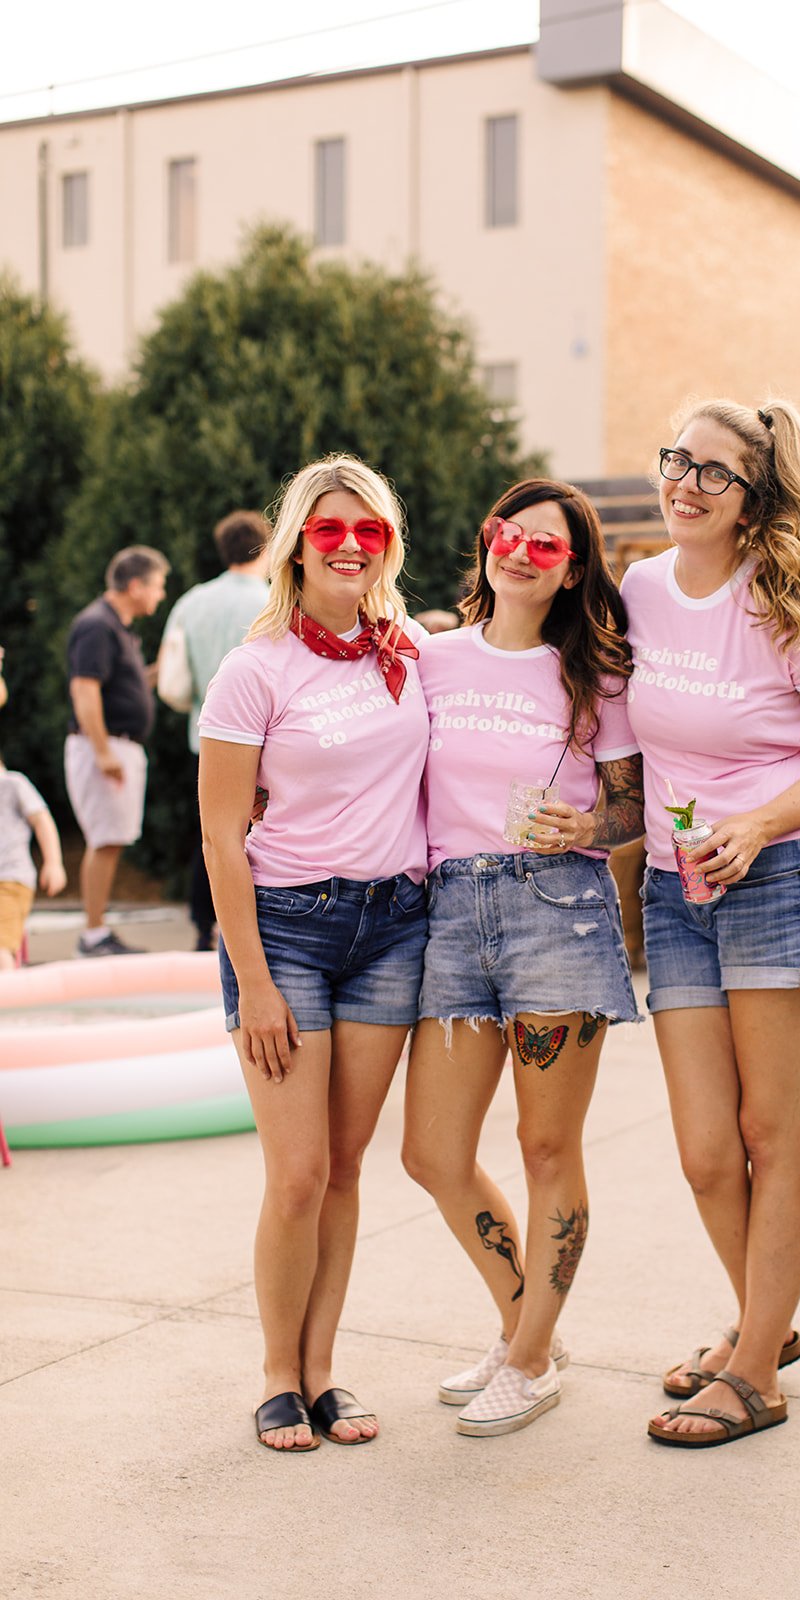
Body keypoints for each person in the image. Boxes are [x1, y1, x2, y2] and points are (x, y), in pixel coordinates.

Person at [621, 398, 800, 1449]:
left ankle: (753, 1370)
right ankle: (762, 1333)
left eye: (713, 472)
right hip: (679, 897)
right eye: (674, 458)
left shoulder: (793, 605)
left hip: (784, 881)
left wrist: (758, 820)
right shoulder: (642, 588)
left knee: (770, 1138)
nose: (682, 482)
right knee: (700, 1150)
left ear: (753, 498)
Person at [402, 478, 644, 1437]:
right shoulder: (430, 658)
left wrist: (586, 822)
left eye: (546, 547)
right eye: (511, 533)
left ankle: (532, 1354)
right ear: (488, 539)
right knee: (431, 1152)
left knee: (546, 1147)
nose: (520, 553)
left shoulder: (596, 675)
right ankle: (525, 1325)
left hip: (559, 910)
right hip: (452, 911)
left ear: (571, 569)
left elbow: (626, 809)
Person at [198, 454, 429, 1453]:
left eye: (367, 531)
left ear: (386, 544)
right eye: (329, 528)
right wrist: (252, 980)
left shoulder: (413, 650)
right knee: (294, 1172)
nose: (348, 545)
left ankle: (325, 1368)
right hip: (285, 933)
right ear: (296, 543)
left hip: (391, 930)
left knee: (343, 1166)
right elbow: (216, 834)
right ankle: (276, 1374)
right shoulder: (255, 668)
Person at [158, 510, 270, 950]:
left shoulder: (191, 601)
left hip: (204, 736)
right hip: (264, 741)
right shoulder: (271, 599)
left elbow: (171, 681)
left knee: (209, 833)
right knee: (255, 833)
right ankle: (244, 927)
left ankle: (203, 924)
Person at [65, 547, 169, 957]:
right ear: (135, 585)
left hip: (118, 746)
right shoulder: (97, 626)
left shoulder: (118, 628)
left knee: (112, 838)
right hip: (104, 747)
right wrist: (103, 750)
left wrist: (160, 671)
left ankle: (97, 931)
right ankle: (92, 935)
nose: (160, 596)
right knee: (104, 839)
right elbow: (84, 688)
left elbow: (120, 685)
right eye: (157, 586)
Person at [0, 750, 68, 970]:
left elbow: (42, 820)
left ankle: (7, 996)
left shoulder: (13, 784)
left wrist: (53, 862)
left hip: (9, 879)